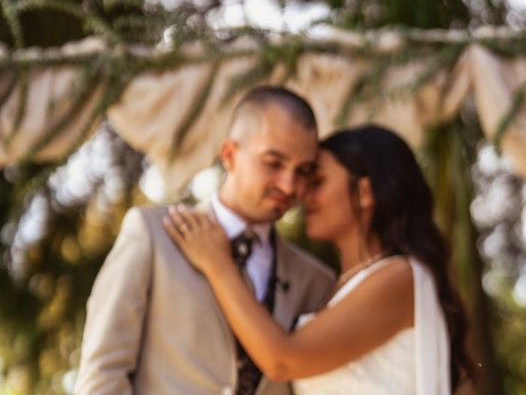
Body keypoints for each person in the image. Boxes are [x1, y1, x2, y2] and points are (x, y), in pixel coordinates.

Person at [165, 125, 472, 394]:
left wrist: (218, 265)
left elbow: (282, 360)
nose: (301, 194)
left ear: (365, 192)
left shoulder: (400, 277)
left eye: (317, 182)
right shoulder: (335, 286)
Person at [75, 86, 336, 395]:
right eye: (273, 163)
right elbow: (101, 374)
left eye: (303, 171)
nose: (289, 184)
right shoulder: (152, 234)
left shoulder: (316, 281)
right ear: (230, 155)